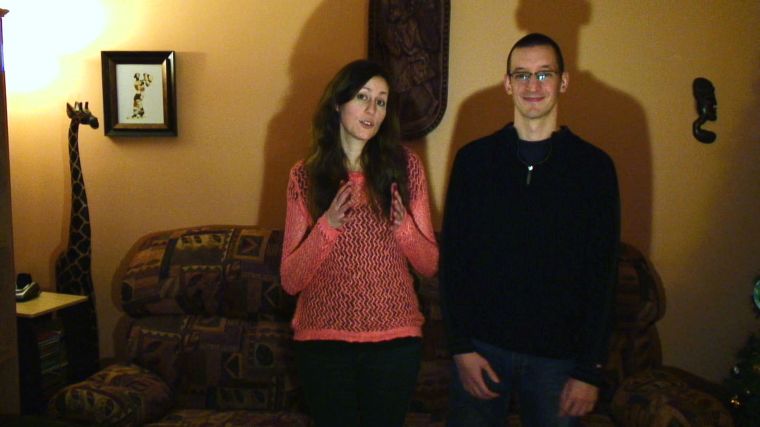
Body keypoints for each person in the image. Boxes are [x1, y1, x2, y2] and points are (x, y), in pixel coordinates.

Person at [440, 33, 620, 426]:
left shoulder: (594, 169)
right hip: (481, 352)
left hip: (559, 361)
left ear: (563, 82)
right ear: (507, 83)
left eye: (544, 74)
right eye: (522, 75)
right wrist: (460, 347)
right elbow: (453, 260)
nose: (532, 86)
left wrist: (589, 370)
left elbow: (603, 273)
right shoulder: (474, 161)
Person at [280, 59, 439, 427]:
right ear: (338, 103)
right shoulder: (305, 176)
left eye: (381, 101)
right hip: (323, 345)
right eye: (363, 97)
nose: (372, 109)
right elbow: (290, 279)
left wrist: (403, 227)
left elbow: (429, 264)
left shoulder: (406, 168)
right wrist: (328, 226)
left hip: (395, 342)